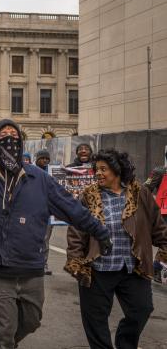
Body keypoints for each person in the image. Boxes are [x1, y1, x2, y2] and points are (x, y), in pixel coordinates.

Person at [0, 117, 112, 349]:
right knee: (5, 332)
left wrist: (99, 230)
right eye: (3, 137)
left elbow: (71, 207)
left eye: (14, 136)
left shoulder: (39, 179)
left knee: (31, 321)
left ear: (21, 142)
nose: (9, 140)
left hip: (30, 266)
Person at [65, 148, 167, 349]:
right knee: (95, 319)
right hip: (98, 268)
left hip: (132, 267)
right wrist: (75, 259)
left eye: (103, 169)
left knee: (142, 310)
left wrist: (164, 247)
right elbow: (77, 229)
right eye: (96, 169)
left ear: (117, 170)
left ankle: (125, 344)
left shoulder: (140, 193)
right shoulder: (89, 195)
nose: (98, 173)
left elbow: (157, 225)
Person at [145, 149, 167, 281]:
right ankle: (157, 266)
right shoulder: (160, 171)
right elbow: (145, 189)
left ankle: (158, 266)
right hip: (164, 212)